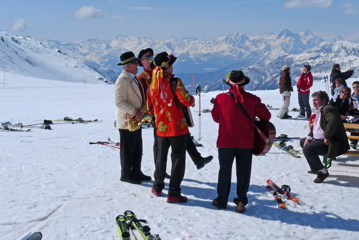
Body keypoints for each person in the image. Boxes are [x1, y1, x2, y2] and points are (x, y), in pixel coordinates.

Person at [137, 48, 213, 170]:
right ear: (141, 62)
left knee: (184, 134)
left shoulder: (157, 73)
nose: (149, 58)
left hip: (170, 112)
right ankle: (160, 171)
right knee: (160, 146)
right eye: (146, 57)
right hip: (157, 114)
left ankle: (197, 158)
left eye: (150, 56)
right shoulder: (142, 77)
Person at [211, 70, 271, 213]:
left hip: (226, 142)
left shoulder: (220, 98)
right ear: (244, 83)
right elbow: (266, 116)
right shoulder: (253, 99)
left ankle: (221, 200)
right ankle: (241, 201)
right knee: (243, 173)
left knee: (224, 172)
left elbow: (216, 118)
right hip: (246, 142)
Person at [147, 52, 194, 203]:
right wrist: (192, 100)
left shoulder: (152, 86)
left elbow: (150, 109)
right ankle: (174, 192)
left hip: (161, 127)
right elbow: (186, 101)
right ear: (167, 67)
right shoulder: (175, 82)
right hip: (177, 127)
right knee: (178, 159)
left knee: (161, 157)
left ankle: (157, 186)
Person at [114, 51, 151, 184]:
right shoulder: (122, 80)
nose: (138, 65)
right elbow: (119, 102)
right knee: (128, 149)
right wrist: (135, 111)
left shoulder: (132, 77)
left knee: (137, 148)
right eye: (135, 63)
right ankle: (126, 173)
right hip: (127, 121)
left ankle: (136, 171)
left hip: (136, 120)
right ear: (128, 65)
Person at [300, 91, 349, 183]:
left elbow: (333, 121)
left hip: (330, 142)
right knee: (303, 142)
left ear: (324, 100)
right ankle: (316, 168)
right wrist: (309, 137)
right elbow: (317, 127)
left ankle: (323, 172)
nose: (314, 102)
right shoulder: (321, 109)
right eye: (313, 100)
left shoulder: (328, 109)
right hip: (319, 139)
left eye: (317, 100)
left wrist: (327, 136)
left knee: (308, 149)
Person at [349, 81, 359, 149]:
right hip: (354, 117)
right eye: (354, 87)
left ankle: (354, 141)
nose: (355, 88)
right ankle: (353, 141)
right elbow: (348, 109)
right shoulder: (351, 98)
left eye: (357, 87)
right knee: (355, 124)